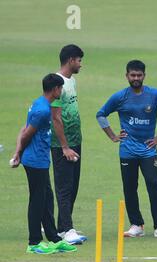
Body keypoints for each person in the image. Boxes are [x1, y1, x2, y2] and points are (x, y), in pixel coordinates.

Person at [96, 60, 157, 238]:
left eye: (139, 75)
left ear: (144, 76)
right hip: (127, 150)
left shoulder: (155, 95)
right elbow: (101, 114)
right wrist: (112, 136)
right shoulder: (119, 97)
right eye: (132, 75)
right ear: (127, 76)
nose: (136, 78)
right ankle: (136, 225)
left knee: (153, 184)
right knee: (130, 187)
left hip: (149, 150)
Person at [10, 74, 77, 254]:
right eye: (60, 89)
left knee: (47, 198)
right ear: (55, 89)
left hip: (40, 160)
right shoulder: (42, 110)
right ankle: (34, 243)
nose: (61, 92)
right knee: (37, 200)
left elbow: (23, 129)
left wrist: (18, 153)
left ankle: (54, 238)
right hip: (35, 161)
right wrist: (18, 153)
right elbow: (25, 134)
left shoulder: (40, 104)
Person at [51, 44, 87, 244]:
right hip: (61, 145)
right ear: (71, 60)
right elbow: (56, 118)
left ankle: (63, 228)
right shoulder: (57, 83)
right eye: (79, 60)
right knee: (64, 187)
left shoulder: (71, 81)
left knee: (73, 186)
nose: (81, 65)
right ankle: (69, 230)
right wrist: (64, 147)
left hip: (75, 141)